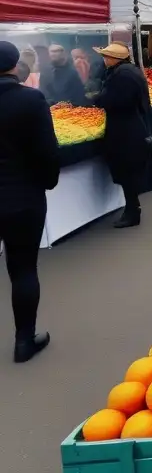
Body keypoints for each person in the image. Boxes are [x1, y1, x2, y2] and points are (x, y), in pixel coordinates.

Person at [0, 41, 58, 363]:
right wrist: (47, 181)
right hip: (23, 197)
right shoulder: (30, 99)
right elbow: (47, 151)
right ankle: (24, 341)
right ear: (15, 65)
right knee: (22, 269)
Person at [93, 42, 152, 229]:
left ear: (114, 59)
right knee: (129, 172)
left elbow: (118, 101)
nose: (104, 60)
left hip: (126, 131)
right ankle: (131, 209)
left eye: (106, 56)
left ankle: (132, 212)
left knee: (127, 172)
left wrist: (98, 99)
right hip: (130, 128)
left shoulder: (123, 75)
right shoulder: (128, 71)